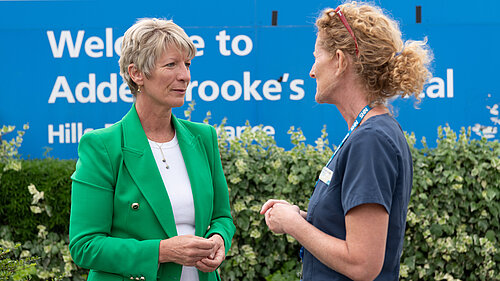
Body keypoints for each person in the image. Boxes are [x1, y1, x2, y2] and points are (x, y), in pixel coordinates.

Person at [260, 2, 431, 280]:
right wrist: (301, 218)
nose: (311, 71)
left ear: (340, 61)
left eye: (316, 57)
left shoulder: (372, 140)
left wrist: (295, 226)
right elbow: (348, 233)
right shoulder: (370, 132)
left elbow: (362, 264)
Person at [69, 18, 235, 281]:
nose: (185, 75)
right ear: (137, 74)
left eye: (187, 64)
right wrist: (162, 251)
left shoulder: (204, 137)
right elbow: (84, 246)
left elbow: (222, 217)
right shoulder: (102, 146)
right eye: (171, 64)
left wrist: (218, 239)